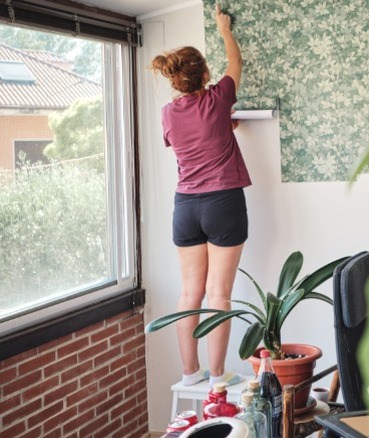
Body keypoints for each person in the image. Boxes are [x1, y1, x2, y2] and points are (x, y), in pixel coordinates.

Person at [151, 3, 247, 388]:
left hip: (185, 207)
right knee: (218, 295)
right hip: (223, 203)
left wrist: (224, 126)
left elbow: (187, 143)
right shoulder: (219, 96)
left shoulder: (168, 113)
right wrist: (224, 29)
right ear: (205, 74)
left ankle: (190, 374)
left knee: (189, 292)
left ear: (176, 81)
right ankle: (219, 375)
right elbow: (236, 63)